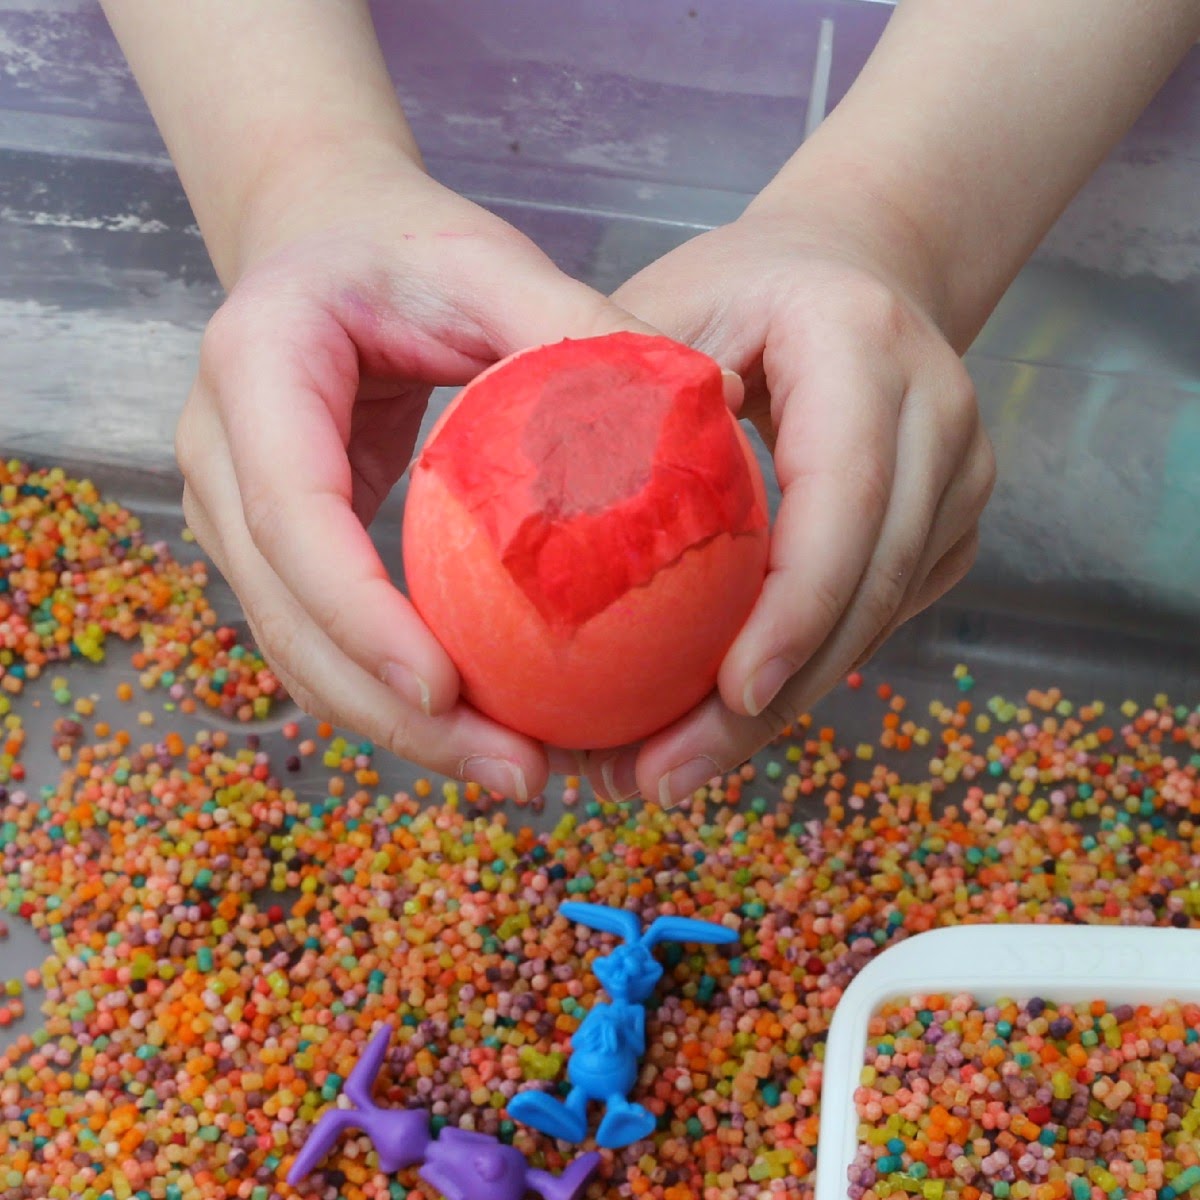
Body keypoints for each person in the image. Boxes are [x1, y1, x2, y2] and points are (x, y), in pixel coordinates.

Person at [100, 0, 1200, 808]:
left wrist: (896, 218)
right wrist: (292, 171)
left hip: (1018, 103)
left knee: (887, 479)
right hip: (284, 63)